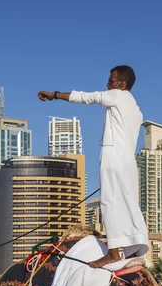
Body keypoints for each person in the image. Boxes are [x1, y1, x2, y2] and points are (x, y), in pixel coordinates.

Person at [38, 65, 149, 268]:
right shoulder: (135, 108)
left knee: (109, 202)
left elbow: (86, 97)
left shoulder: (116, 95)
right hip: (128, 161)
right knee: (127, 202)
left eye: (111, 81)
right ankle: (135, 246)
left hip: (113, 155)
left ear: (122, 84)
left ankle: (114, 252)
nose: (107, 84)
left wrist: (54, 95)